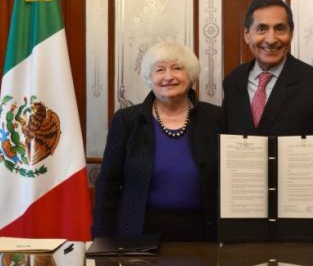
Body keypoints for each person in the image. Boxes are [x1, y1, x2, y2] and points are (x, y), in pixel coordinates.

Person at [222, 0, 313, 212]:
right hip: (243, 214)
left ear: (291, 34)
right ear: (246, 35)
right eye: (262, 29)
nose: (271, 38)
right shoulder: (233, 83)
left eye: (280, 28)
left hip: (302, 217)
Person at [92, 41, 223, 241]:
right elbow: (108, 184)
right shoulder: (126, 121)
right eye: (159, 70)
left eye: (177, 68)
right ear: (149, 78)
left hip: (203, 235)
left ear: (191, 76)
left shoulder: (216, 119)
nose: (168, 77)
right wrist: (101, 241)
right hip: (138, 236)